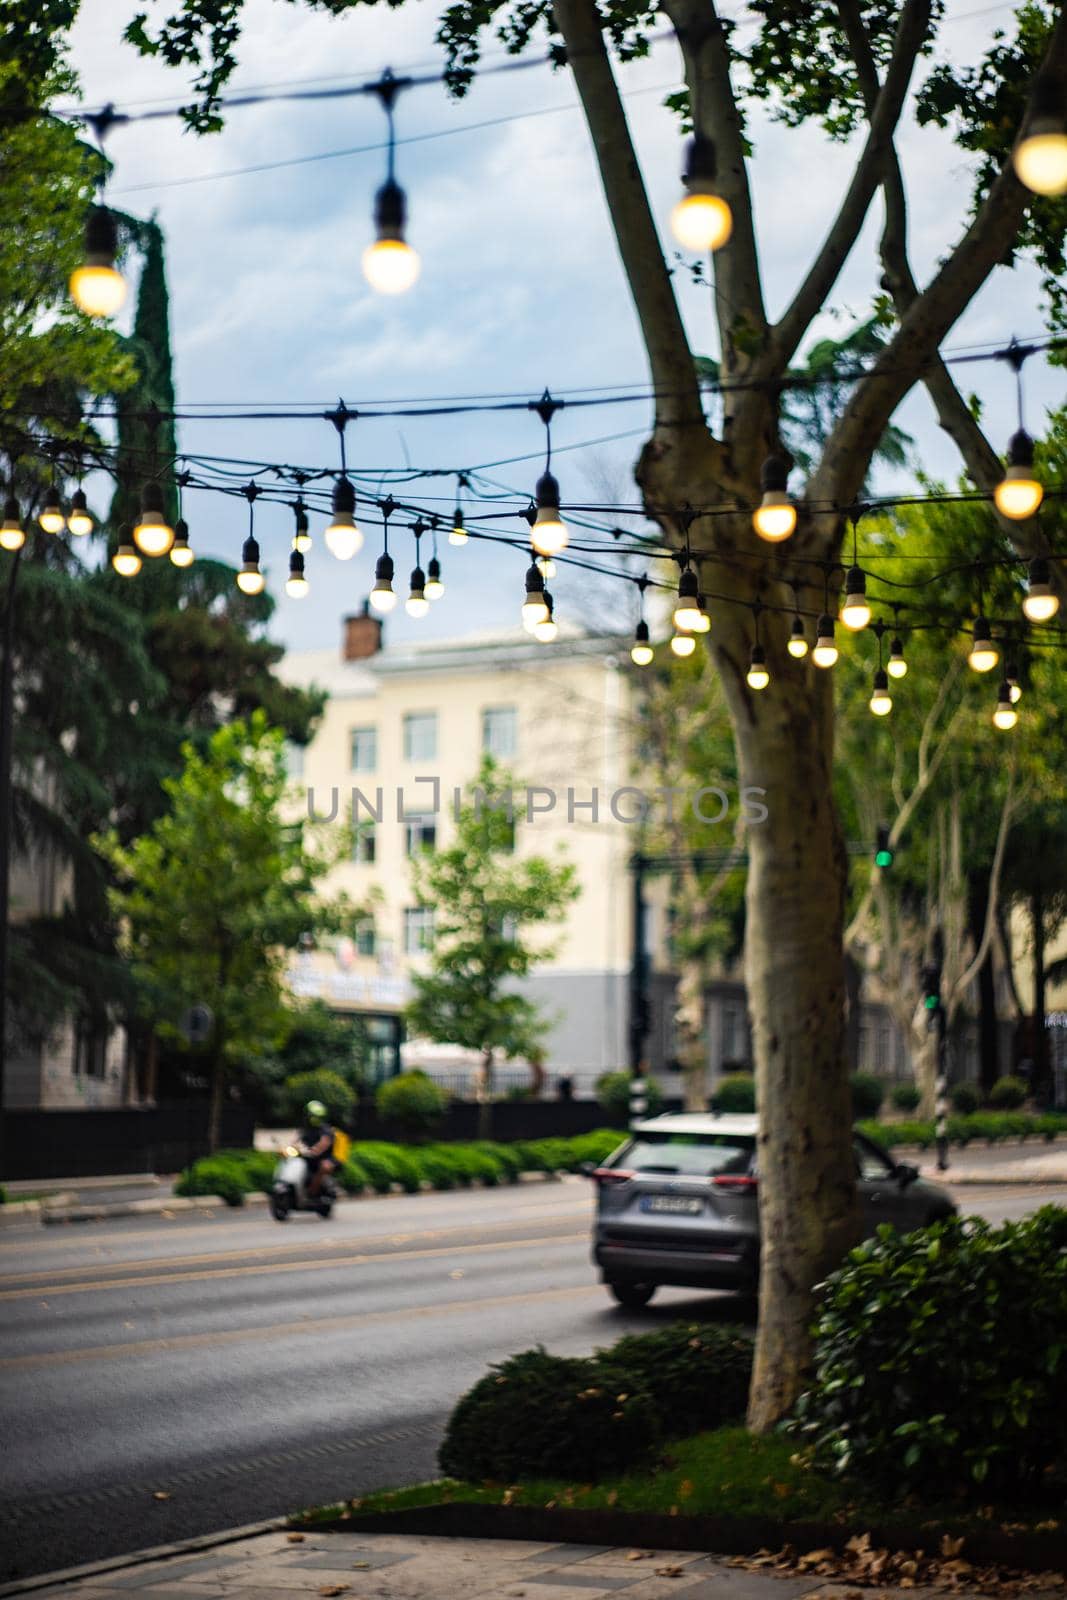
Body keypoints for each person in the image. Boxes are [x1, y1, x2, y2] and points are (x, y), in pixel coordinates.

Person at [298, 1099, 336, 1198]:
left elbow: (325, 1142)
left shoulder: (326, 1129)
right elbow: (297, 1140)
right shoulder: (305, 1129)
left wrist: (315, 1150)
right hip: (308, 1157)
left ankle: (312, 1192)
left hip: (323, 1158)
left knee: (324, 1167)